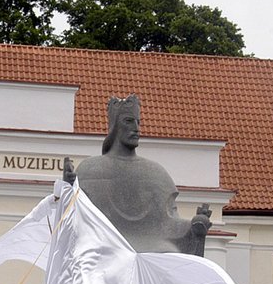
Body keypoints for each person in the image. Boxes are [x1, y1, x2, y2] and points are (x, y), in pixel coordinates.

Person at [69, 93, 212, 256]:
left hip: (153, 244)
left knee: (169, 253)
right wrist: (67, 193)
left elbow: (168, 223)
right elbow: (77, 220)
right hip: (104, 243)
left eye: (138, 122)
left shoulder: (156, 173)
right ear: (115, 126)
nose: (136, 128)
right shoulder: (90, 170)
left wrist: (195, 226)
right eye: (129, 121)